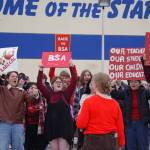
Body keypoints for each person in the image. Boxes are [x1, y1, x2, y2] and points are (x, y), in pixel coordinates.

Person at [76, 72, 125, 150]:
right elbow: (120, 127)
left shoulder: (88, 102)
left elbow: (81, 124)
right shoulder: (115, 104)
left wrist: (78, 117)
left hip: (92, 141)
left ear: (94, 85)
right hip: (110, 141)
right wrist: (120, 144)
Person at [37, 61, 78, 150]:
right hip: (52, 127)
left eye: (60, 82)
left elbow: (74, 80)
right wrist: (40, 70)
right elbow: (39, 85)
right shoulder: (49, 95)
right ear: (52, 84)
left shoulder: (66, 94)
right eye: (56, 82)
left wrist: (72, 67)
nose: (59, 83)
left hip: (65, 127)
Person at [0, 71, 36, 150]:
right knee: (3, 147)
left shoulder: (22, 91)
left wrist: (35, 94)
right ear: (7, 79)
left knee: (18, 147)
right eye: (12, 76)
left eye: (16, 76)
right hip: (4, 124)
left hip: (18, 124)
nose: (15, 78)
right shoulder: (2, 89)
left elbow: (31, 100)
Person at [24, 82, 48, 150]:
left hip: (40, 128)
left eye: (35, 88)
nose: (33, 89)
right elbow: (28, 112)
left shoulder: (43, 100)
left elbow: (45, 113)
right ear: (27, 90)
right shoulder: (24, 100)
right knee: (28, 147)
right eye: (31, 88)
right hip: (28, 128)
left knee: (40, 147)